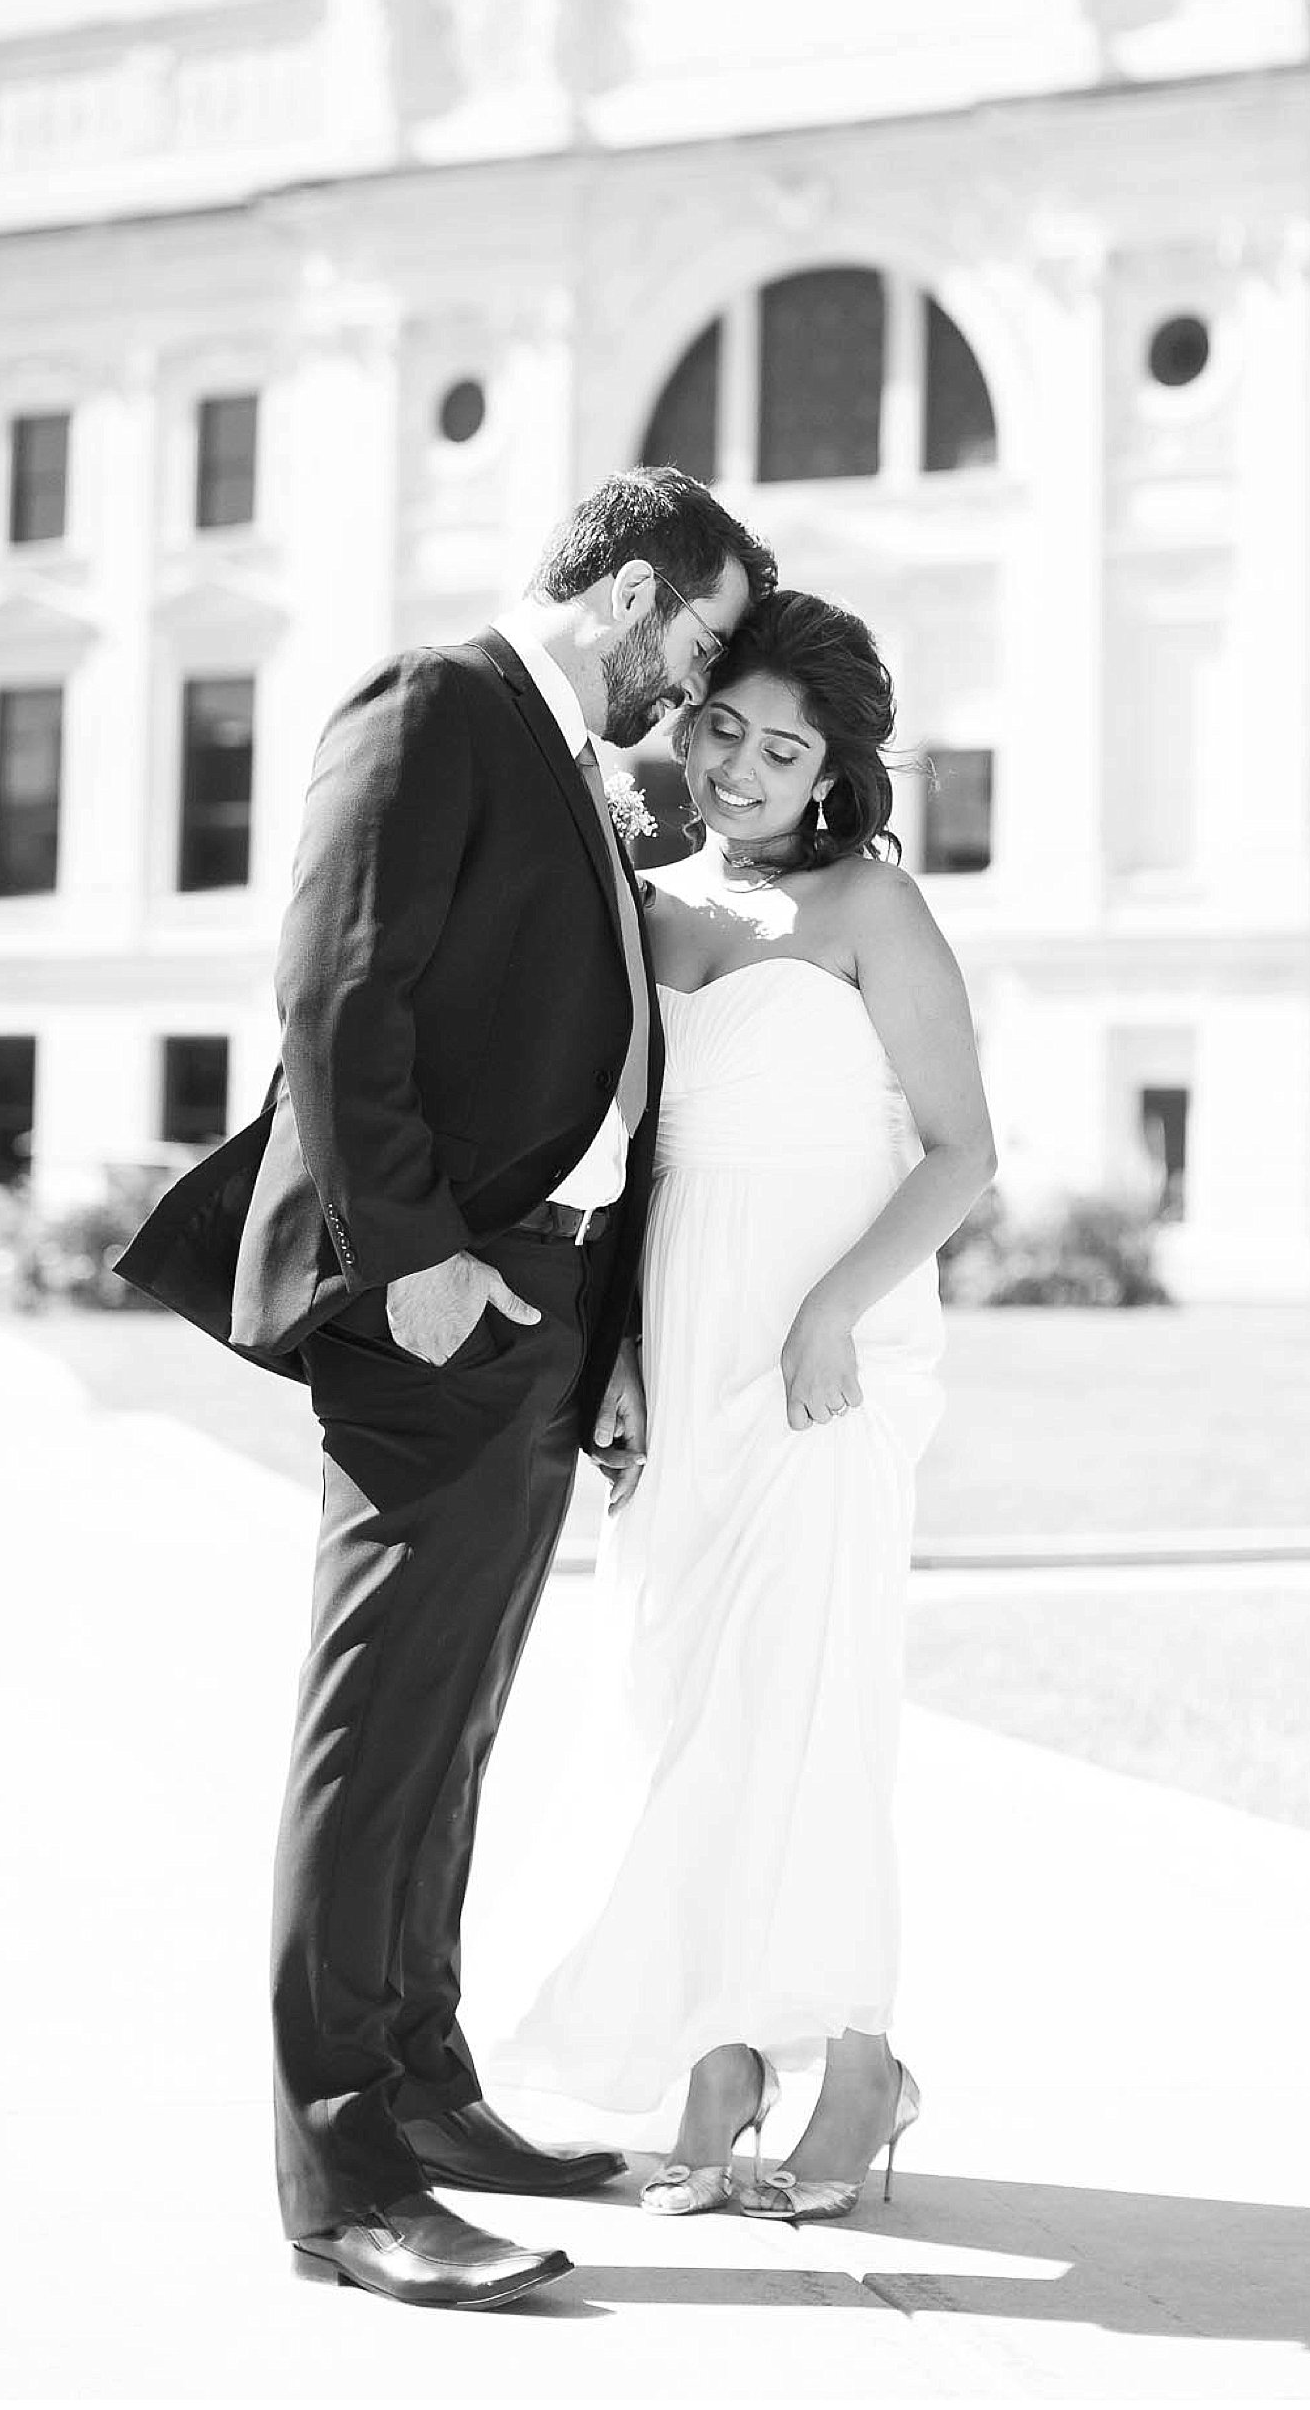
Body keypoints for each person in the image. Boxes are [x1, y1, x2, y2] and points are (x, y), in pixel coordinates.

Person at [116, 468, 775, 2312]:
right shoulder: (433, 706)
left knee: (459, 1721)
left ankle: (423, 2088)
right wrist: (411, 1265)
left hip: (543, 1305)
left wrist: (605, 1323)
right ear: (633, 592)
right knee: (380, 1732)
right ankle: (341, 2176)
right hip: (437, 1301)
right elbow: (337, 991)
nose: (698, 681)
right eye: (702, 638)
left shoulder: (572, 763)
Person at [499, 588, 995, 2223]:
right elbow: (623, 1160)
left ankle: (859, 2065)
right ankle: (718, 2067)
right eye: (723, 727)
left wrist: (834, 1312)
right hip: (678, 1340)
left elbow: (963, 1152)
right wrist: (621, 1352)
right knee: (679, 1710)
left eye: (784, 748)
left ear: (829, 770)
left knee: (810, 1709)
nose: (740, 765)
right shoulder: (639, 912)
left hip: (827, 1357)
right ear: (687, 717)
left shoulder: (871, 906)